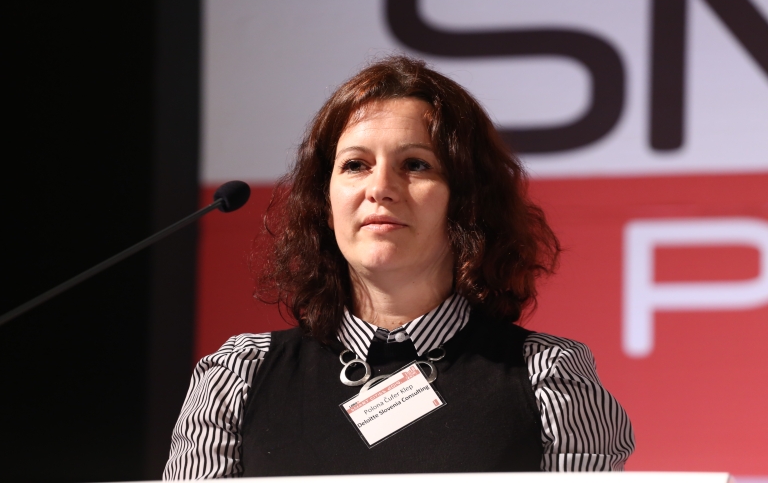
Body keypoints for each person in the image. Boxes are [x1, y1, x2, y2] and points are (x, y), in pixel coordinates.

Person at [163, 56, 635, 479]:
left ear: (467, 202)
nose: (380, 188)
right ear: (325, 204)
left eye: (415, 164)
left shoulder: (547, 376)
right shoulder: (238, 374)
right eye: (355, 165)